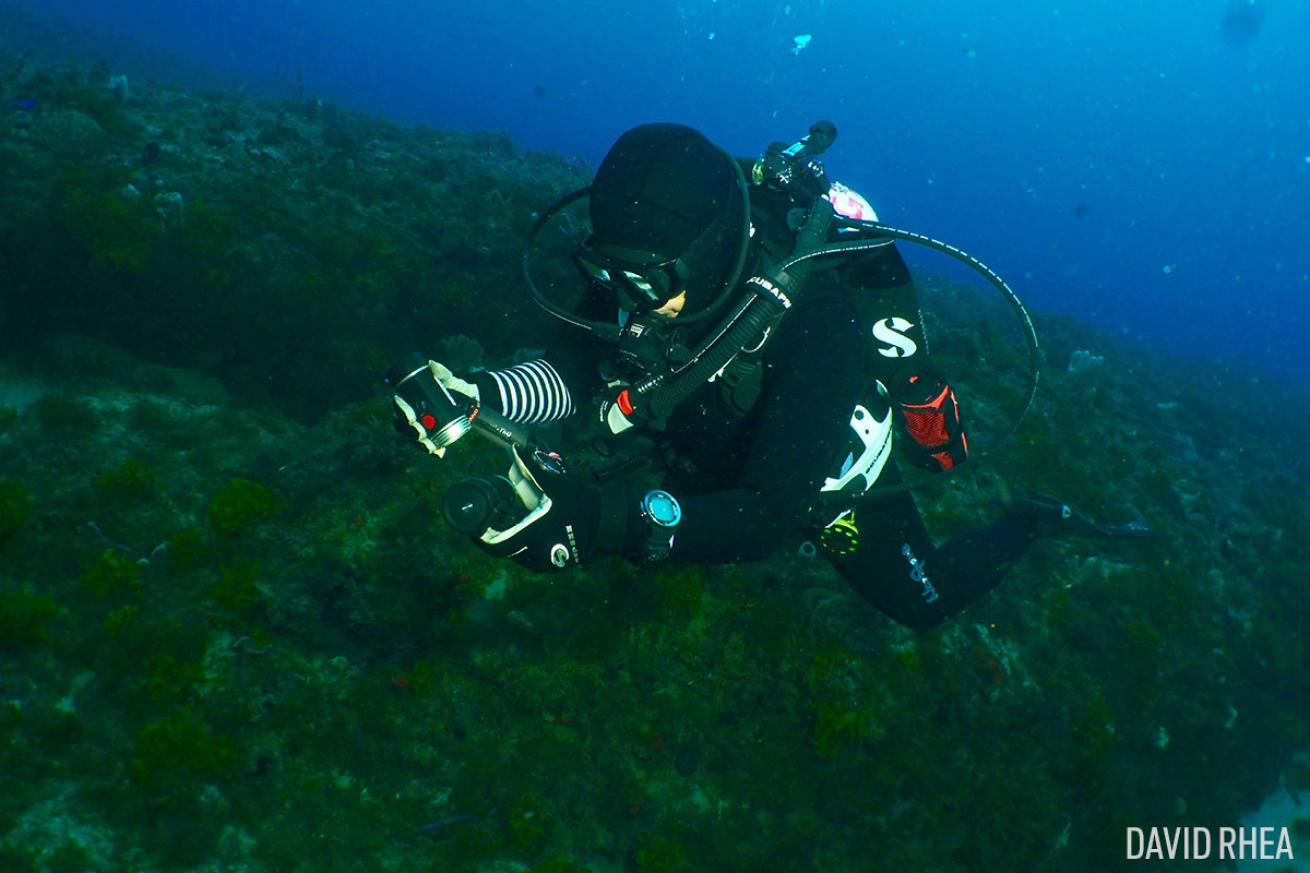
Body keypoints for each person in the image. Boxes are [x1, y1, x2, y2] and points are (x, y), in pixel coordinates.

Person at [391, 122, 1132, 630]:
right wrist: (482, 392)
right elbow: (577, 371)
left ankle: (1032, 521)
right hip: (704, 453)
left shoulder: (816, 318)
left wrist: (605, 523)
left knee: (926, 601)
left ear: (711, 252)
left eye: (649, 279)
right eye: (606, 272)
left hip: (827, 483)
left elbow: (775, 514)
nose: (626, 299)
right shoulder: (639, 274)